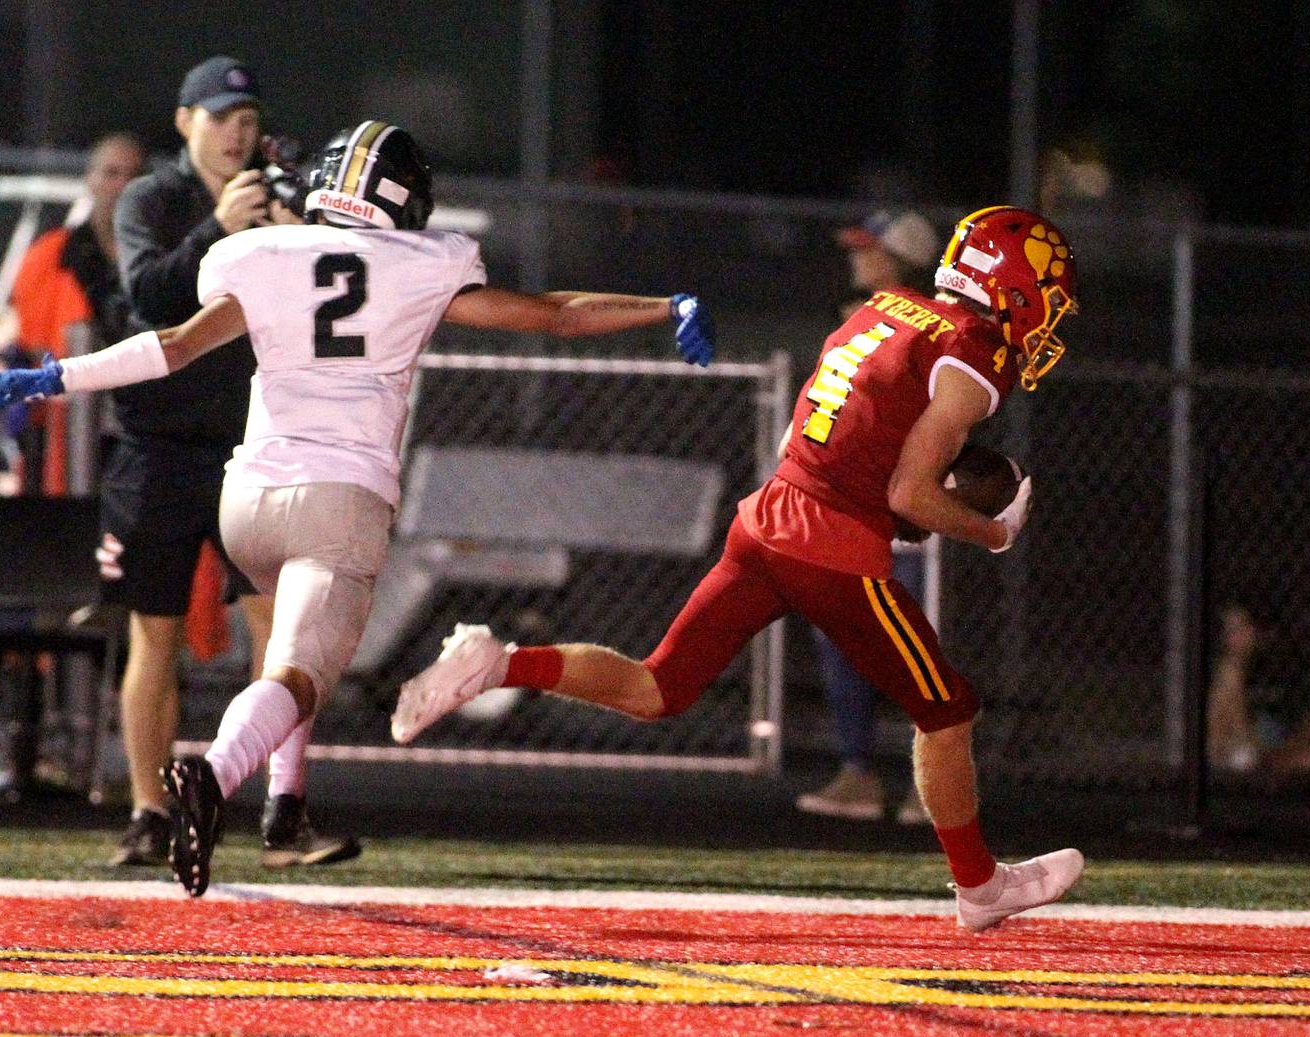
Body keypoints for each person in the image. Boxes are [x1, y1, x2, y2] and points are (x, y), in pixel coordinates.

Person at [0, 118, 716, 897]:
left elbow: (176, 345)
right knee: (301, 671)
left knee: (296, 648)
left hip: (248, 496)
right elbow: (556, 312)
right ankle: (214, 776)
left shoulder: (260, 253)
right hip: (339, 498)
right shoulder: (426, 261)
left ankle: (286, 809)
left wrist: (56, 377)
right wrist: (664, 307)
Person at [390, 206, 1084, 932]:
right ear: (1012, 286)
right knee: (947, 712)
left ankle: (497, 664)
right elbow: (908, 492)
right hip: (831, 547)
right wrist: (990, 531)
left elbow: (810, 432)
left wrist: (874, 498)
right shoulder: (976, 354)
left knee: (657, 686)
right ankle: (980, 887)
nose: (1048, 315)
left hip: (769, 517)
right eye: (1046, 292)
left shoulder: (884, 309)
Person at [103, 56, 355, 870]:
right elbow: (150, 297)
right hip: (159, 447)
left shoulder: (271, 195)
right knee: (156, 632)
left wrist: (292, 226)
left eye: (247, 121)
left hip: (251, 446)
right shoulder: (154, 198)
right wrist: (219, 226)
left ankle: (281, 809)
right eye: (221, 119)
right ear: (186, 122)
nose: (236, 135)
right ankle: (149, 811)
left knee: (278, 630)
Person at [797, 209, 940, 824]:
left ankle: (930, 787)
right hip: (851, 520)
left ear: (900, 258)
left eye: (869, 249)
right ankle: (858, 774)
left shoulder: (938, 328)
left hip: (909, 522)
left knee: (919, 656)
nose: (857, 257)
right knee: (842, 643)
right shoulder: (856, 319)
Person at [10, 132, 145, 496]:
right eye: (111, 173)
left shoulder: (160, 257)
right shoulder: (50, 256)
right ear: (90, 179)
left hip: (145, 421)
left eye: (132, 175)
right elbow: (31, 344)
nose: (122, 185)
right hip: (70, 425)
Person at [1207, 598, 1310, 779]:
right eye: (1230, 631)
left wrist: (1287, 750)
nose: (1235, 637)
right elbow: (1236, 735)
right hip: (1236, 755)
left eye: (1241, 628)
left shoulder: (1276, 666)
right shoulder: (1228, 672)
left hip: (1271, 748)